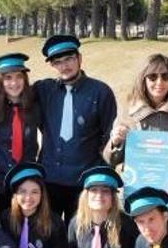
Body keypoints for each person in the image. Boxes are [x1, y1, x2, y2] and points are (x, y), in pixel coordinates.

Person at [104, 53, 168, 225]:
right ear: (143, 78)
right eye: (152, 76)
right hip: (136, 193)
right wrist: (116, 142)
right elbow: (111, 159)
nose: (159, 82)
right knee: (135, 246)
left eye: (165, 76)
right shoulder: (130, 110)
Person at [33, 35, 116, 221]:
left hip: (84, 182)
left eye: (69, 59)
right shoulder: (44, 90)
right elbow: (13, 93)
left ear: (79, 58)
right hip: (50, 179)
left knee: (81, 236)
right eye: (57, 62)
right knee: (49, 234)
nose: (64, 66)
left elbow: (108, 137)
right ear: (52, 66)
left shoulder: (100, 92)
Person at [0, 53, 41, 217]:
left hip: (25, 184)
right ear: (0, 81)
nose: (14, 83)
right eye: (8, 78)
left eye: (18, 77)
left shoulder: (35, 104)